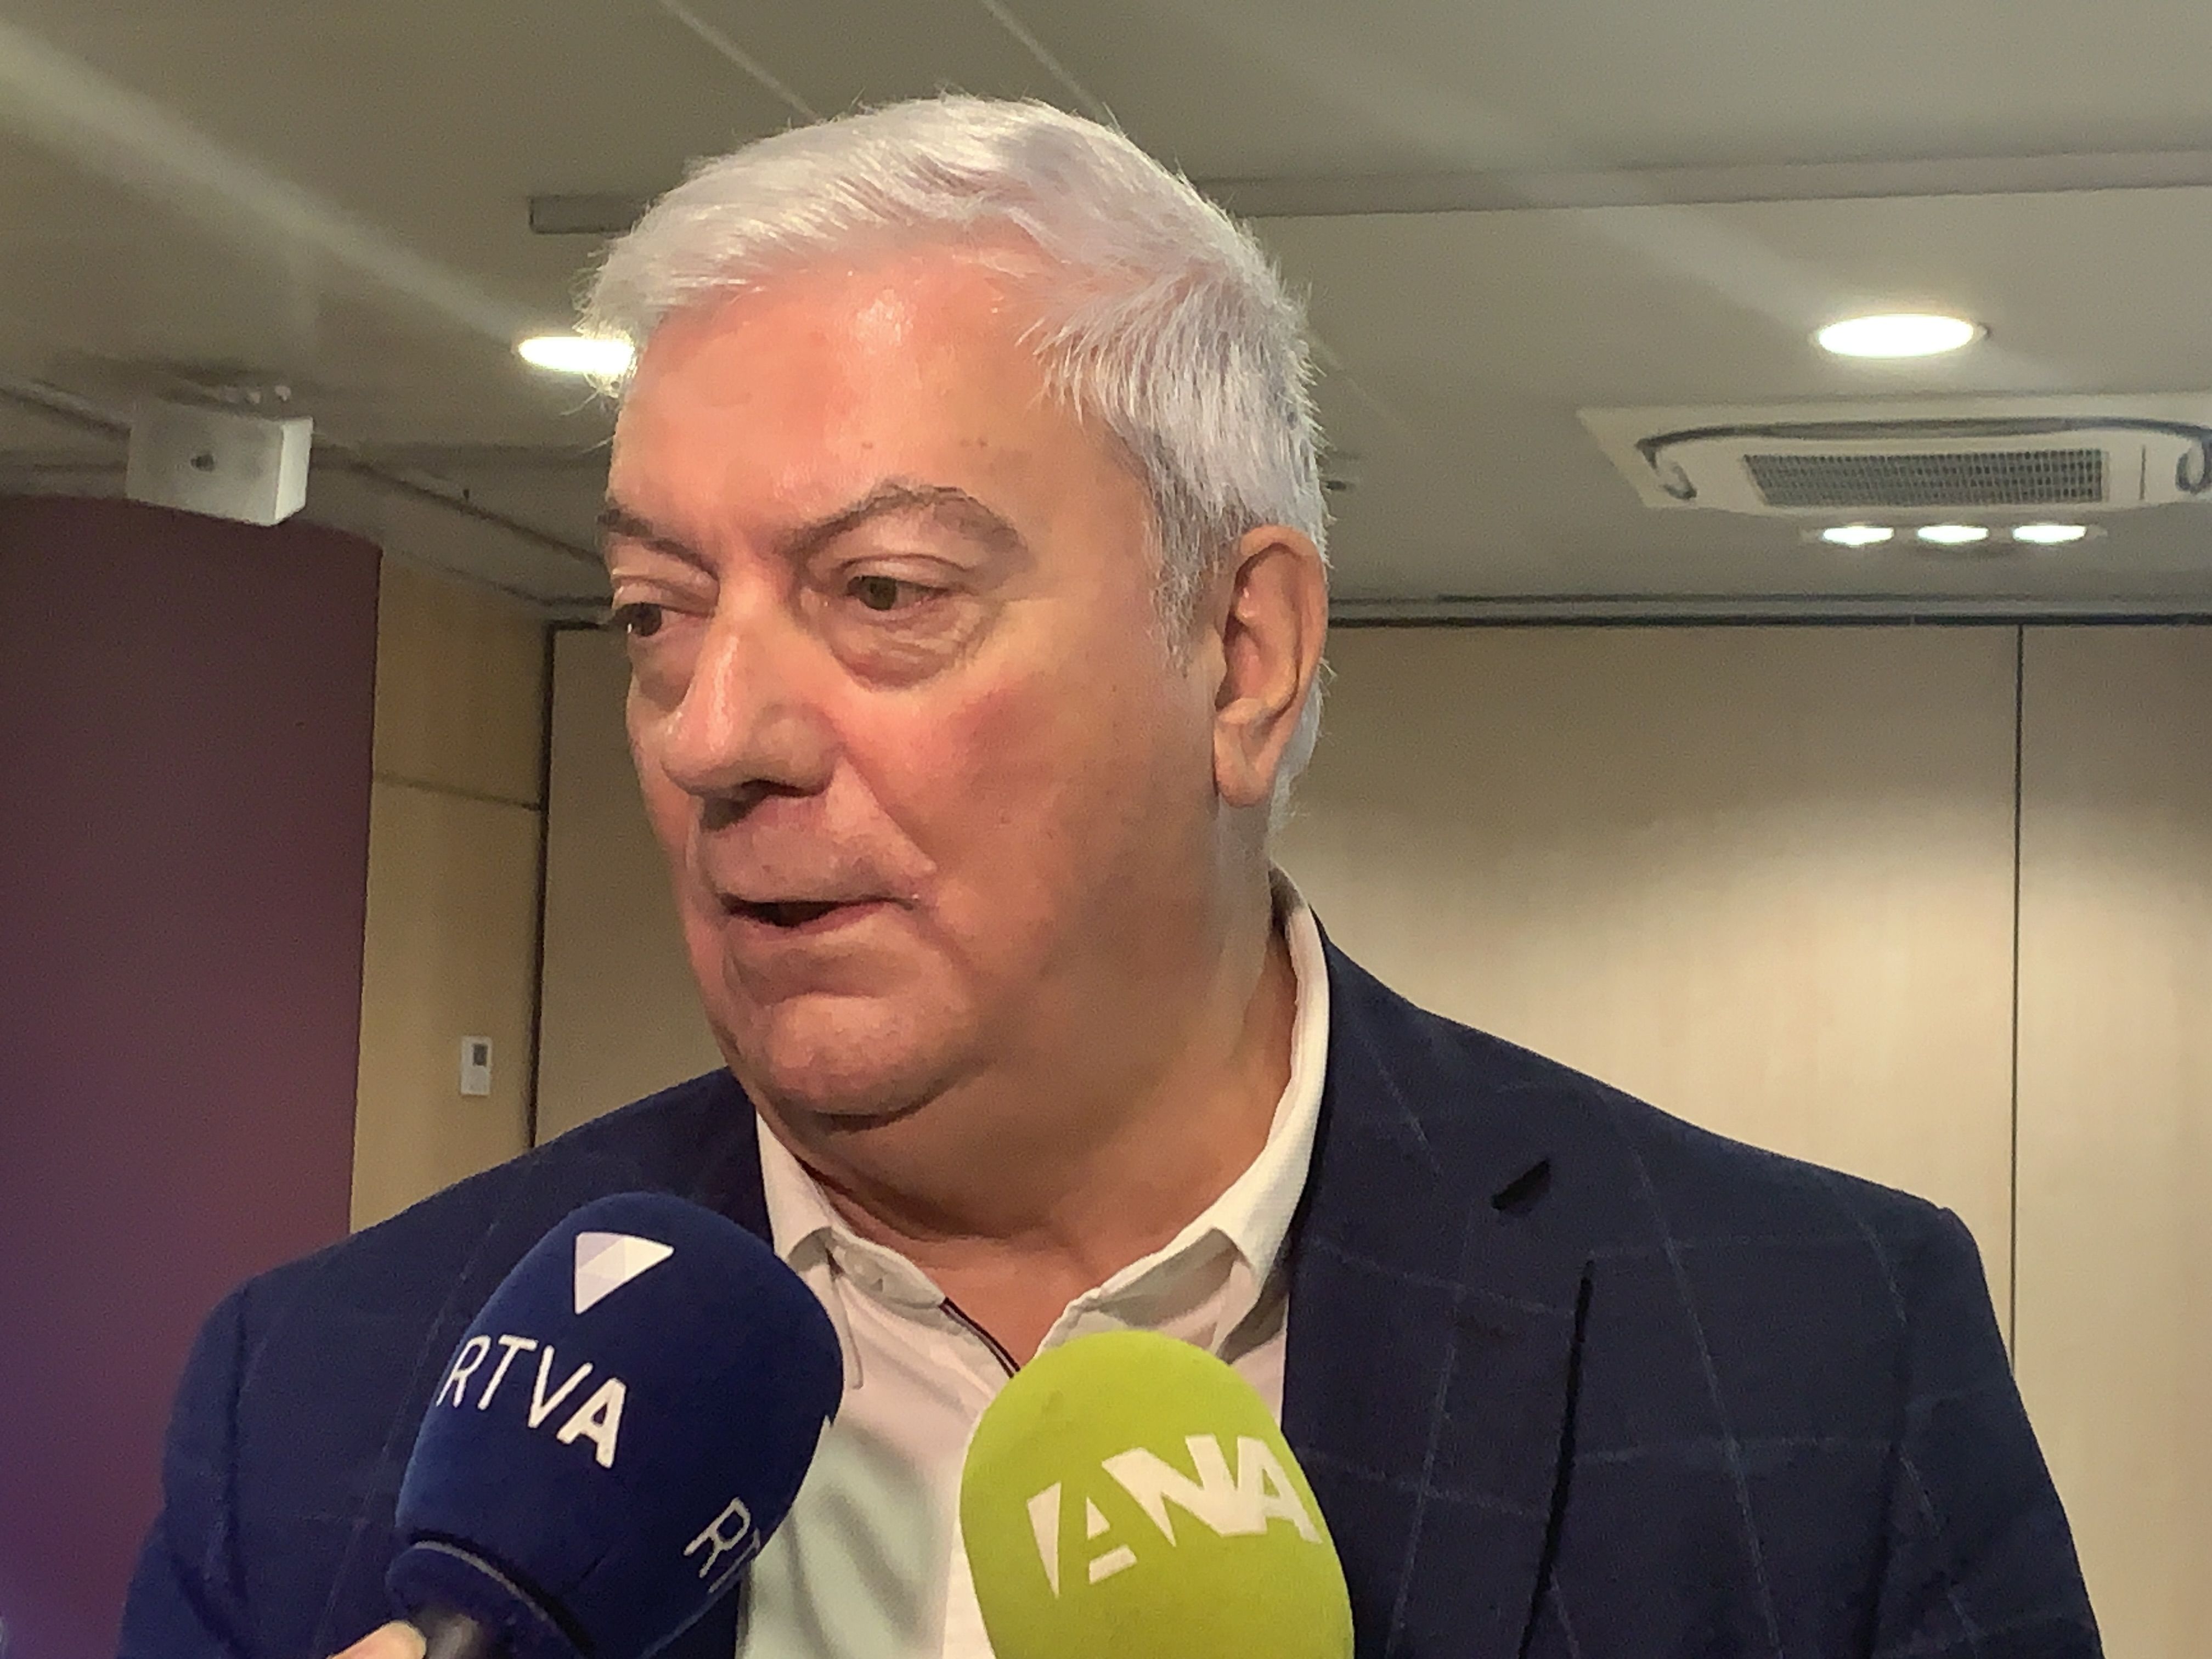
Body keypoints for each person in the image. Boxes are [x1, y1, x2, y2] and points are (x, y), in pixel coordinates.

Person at [120, 96, 2099, 1659]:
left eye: (884, 593)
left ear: (1239, 657)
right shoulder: (317, 1399)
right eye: (655, 612)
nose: (715, 734)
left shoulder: (1819, 1356)